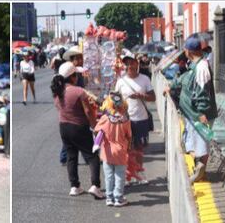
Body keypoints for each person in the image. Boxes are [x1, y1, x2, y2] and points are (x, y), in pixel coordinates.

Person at [52, 61, 103, 199]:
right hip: (79, 127)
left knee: (71, 156)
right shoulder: (79, 91)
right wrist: (94, 127)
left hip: (64, 127)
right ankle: (95, 186)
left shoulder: (57, 92)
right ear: (73, 76)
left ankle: (74, 186)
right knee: (92, 155)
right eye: (76, 75)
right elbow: (88, 111)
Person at [176, 36, 215, 182]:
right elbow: (185, 80)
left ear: (189, 51)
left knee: (201, 145)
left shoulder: (201, 67)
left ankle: (201, 172)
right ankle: (200, 169)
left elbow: (202, 91)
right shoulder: (195, 65)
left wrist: (202, 112)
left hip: (199, 114)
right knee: (194, 143)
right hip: (193, 114)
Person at [114, 52, 154, 186]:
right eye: (127, 63)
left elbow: (153, 97)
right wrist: (119, 107)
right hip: (125, 120)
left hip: (141, 119)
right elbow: (115, 100)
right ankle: (128, 176)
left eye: (132, 63)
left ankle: (140, 174)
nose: (129, 65)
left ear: (137, 63)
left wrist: (141, 96)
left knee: (139, 149)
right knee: (126, 149)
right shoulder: (120, 81)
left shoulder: (145, 79)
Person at [94, 92, 132, 207]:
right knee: (120, 176)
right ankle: (118, 198)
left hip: (107, 152)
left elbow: (96, 130)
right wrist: (128, 148)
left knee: (109, 176)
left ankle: (109, 198)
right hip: (120, 151)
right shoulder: (125, 119)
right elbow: (129, 136)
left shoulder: (105, 118)